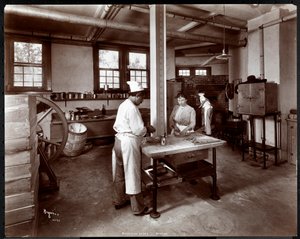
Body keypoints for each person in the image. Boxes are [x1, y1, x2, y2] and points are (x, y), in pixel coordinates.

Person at [112, 80, 156, 216]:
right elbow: (137, 130)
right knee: (133, 175)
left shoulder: (124, 104)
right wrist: (147, 128)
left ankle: (119, 200)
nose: (142, 100)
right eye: (142, 97)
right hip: (128, 143)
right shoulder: (132, 108)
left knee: (119, 174)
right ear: (137, 95)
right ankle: (138, 208)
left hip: (118, 142)